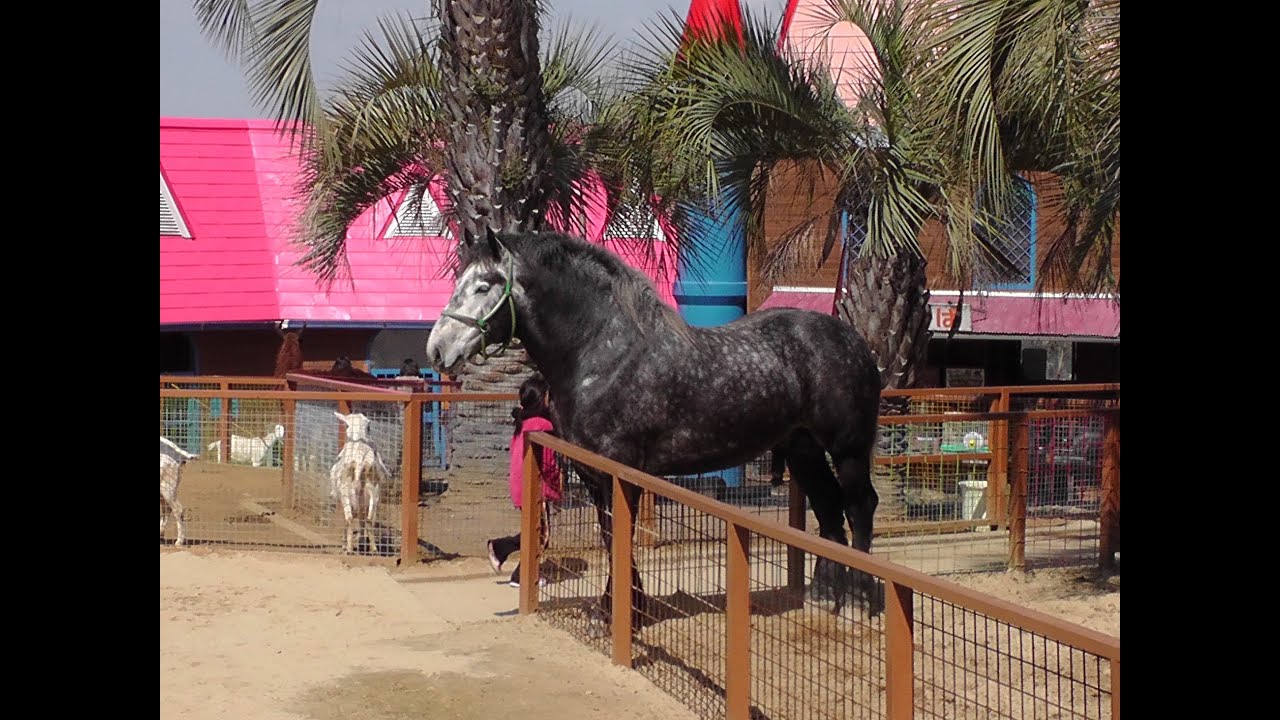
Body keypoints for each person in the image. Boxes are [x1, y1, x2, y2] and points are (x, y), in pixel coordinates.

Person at [486, 374, 563, 587]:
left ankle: (506, 554)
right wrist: (556, 486)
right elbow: (547, 464)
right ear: (543, 400)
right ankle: (520, 573)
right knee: (541, 534)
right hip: (537, 486)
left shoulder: (523, 423)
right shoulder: (542, 425)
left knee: (534, 528)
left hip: (521, 484)